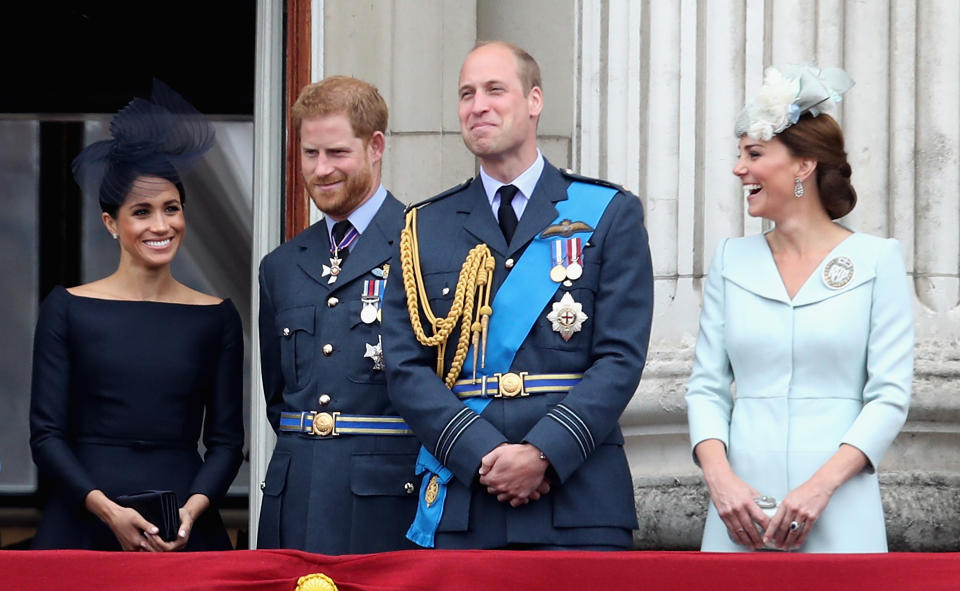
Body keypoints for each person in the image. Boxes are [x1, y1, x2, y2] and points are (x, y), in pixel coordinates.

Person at [381, 41, 653, 550]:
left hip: (578, 499)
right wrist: (480, 453)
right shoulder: (423, 226)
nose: (476, 105)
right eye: (466, 94)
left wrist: (544, 451)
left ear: (534, 100)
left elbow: (620, 358)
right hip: (467, 499)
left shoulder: (609, 213)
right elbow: (404, 366)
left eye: (493, 90)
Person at [686, 65, 913, 553]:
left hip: (839, 506)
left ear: (803, 165)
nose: (738, 168)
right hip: (738, 513)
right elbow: (706, 387)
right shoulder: (731, 260)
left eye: (754, 154)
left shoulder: (876, 260)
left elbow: (889, 396)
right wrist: (720, 481)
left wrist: (820, 487)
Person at [30, 80, 243, 551]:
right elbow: (46, 436)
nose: (161, 225)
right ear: (112, 223)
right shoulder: (66, 308)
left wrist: (195, 507)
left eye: (172, 208)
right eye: (142, 211)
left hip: (183, 527)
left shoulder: (217, 317)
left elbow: (227, 442)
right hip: (83, 523)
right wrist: (105, 509)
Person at [257, 76, 419, 554]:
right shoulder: (281, 265)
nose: (321, 169)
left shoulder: (424, 244)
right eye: (310, 154)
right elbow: (277, 398)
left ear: (376, 147)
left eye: (337, 153)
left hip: (387, 504)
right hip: (296, 497)